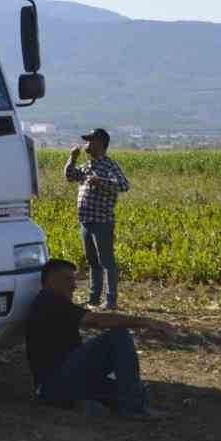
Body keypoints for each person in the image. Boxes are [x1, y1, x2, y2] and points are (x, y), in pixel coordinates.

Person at [25, 258, 175, 420]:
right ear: (52, 280)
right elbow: (97, 321)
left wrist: (143, 330)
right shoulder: (50, 302)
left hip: (60, 381)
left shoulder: (53, 304)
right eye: (68, 280)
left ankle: (80, 402)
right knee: (118, 336)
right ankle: (134, 409)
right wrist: (145, 322)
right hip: (53, 383)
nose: (74, 286)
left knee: (126, 389)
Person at [65, 127, 130, 309]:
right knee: (93, 262)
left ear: (100, 144)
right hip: (86, 221)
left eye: (90, 141)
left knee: (107, 262)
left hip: (102, 221)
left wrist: (101, 181)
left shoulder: (109, 165)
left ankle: (110, 300)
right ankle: (94, 299)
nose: (87, 144)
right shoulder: (87, 165)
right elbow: (70, 176)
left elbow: (124, 185)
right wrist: (73, 157)